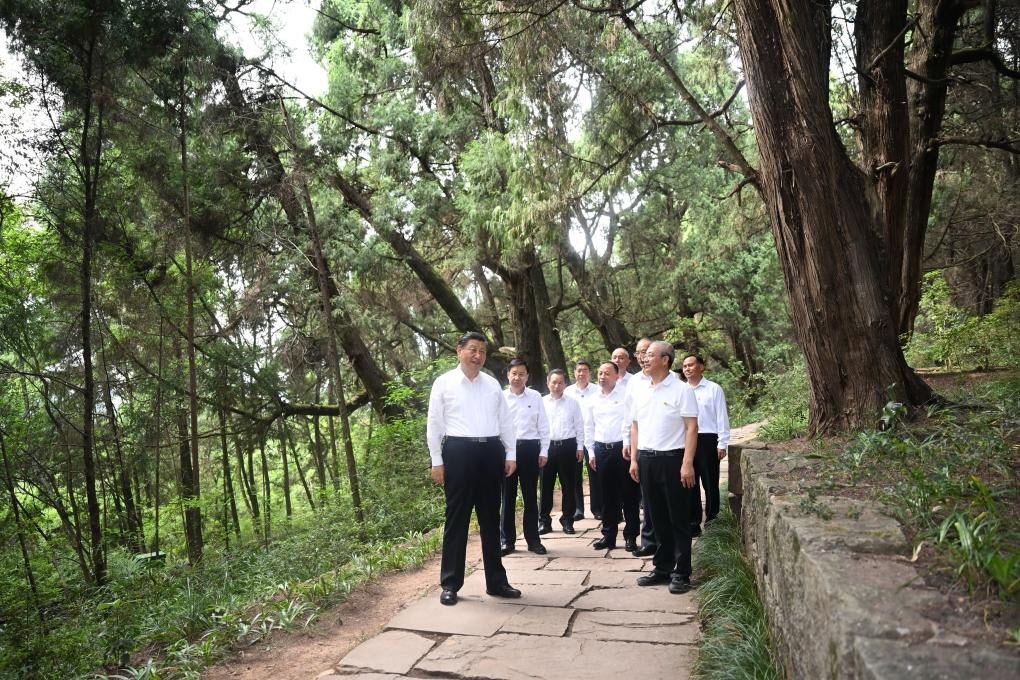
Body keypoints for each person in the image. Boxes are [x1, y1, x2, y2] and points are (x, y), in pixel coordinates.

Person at [426, 332, 522, 606]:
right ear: (459, 351)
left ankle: (497, 581)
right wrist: (436, 460)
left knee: (491, 518)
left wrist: (510, 453)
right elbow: (434, 423)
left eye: (482, 351)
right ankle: (450, 583)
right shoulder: (444, 383)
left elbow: (505, 421)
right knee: (457, 518)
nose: (477, 355)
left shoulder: (492, 385)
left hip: (491, 451)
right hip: (458, 452)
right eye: (472, 349)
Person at [628, 340, 699, 594]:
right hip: (646, 459)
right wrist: (635, 459)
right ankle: (662, 567)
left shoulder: (681, 390)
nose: (644, 359)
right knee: (655, 516)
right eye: (644, 355)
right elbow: (635, 426)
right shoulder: (640, 389)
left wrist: (687, 463)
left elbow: (692, 427)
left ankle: (681, 571)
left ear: (665, 359)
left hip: (673, 459)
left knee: (677, 517)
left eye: (650, 355)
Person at [585, 361, 640, 552]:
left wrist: (627, 444)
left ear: (617, 376)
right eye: (600, 373)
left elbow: (630, 423)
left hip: (622, 449)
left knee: (629, 494)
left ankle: (631, 536)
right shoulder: (592, 399)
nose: (602, 377)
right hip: (601, 450)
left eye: (607, 373)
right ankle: (608, 536)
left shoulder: (626, 396)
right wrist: (591, 452)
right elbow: (588, 427)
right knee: (606, 495)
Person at [501, 358, 550, 556]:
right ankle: (507, 541)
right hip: (506, 451)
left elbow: (544, 425)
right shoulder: (501, 397)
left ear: (527, 377)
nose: (517, 377)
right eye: (514, 373)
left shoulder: (535, 396)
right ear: (508, 375)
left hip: (530, 449)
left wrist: (544, 450)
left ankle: (533, 540)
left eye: (522, 374)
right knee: (508, 498)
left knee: (530, 496)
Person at [681, 354, 731, 533]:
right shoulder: (681, 390)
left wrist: (722, 443)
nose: (687, 368)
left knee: (710, 482)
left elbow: (721, 416)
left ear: (701, 366)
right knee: (689, 482)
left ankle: (712, 520)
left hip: (707, 440)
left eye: (691, 365)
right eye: (685, 366)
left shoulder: (713, 389)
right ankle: (693, 523)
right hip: (686, 441)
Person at [622, 337, 656, 556]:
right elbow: (629, 416)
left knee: (658, 499)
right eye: (639, 353)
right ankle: (648, 541)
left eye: (646, 352)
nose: (642, 357)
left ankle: (663, 541)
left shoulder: (672, 381)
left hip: (665, 448)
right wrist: (627, 443)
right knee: (644, 495)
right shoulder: (633, 382)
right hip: (641, 445)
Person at [539, 369, 584, 535]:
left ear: (565, 384)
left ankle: (567, 520)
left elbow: (580, 426)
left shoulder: (573, 403)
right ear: (548, 383)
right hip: (546, 448)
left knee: (568, 486)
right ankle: (544, 521)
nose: (557, 386)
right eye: (554, 382)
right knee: (545, 487)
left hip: (568, 447)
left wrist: (580, 447)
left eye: (560, 383)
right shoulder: (541, 402)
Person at [565, 360, 599, 521]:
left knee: (595, 473)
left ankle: (597, 508)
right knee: (575, 475)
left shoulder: (597, 390)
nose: (581, 373)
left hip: (594, 437)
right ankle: (578, 509)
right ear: (574, 373)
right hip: (575, 438)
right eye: (579, 370)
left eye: (585, 370)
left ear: (590, 373)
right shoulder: (568, 392)